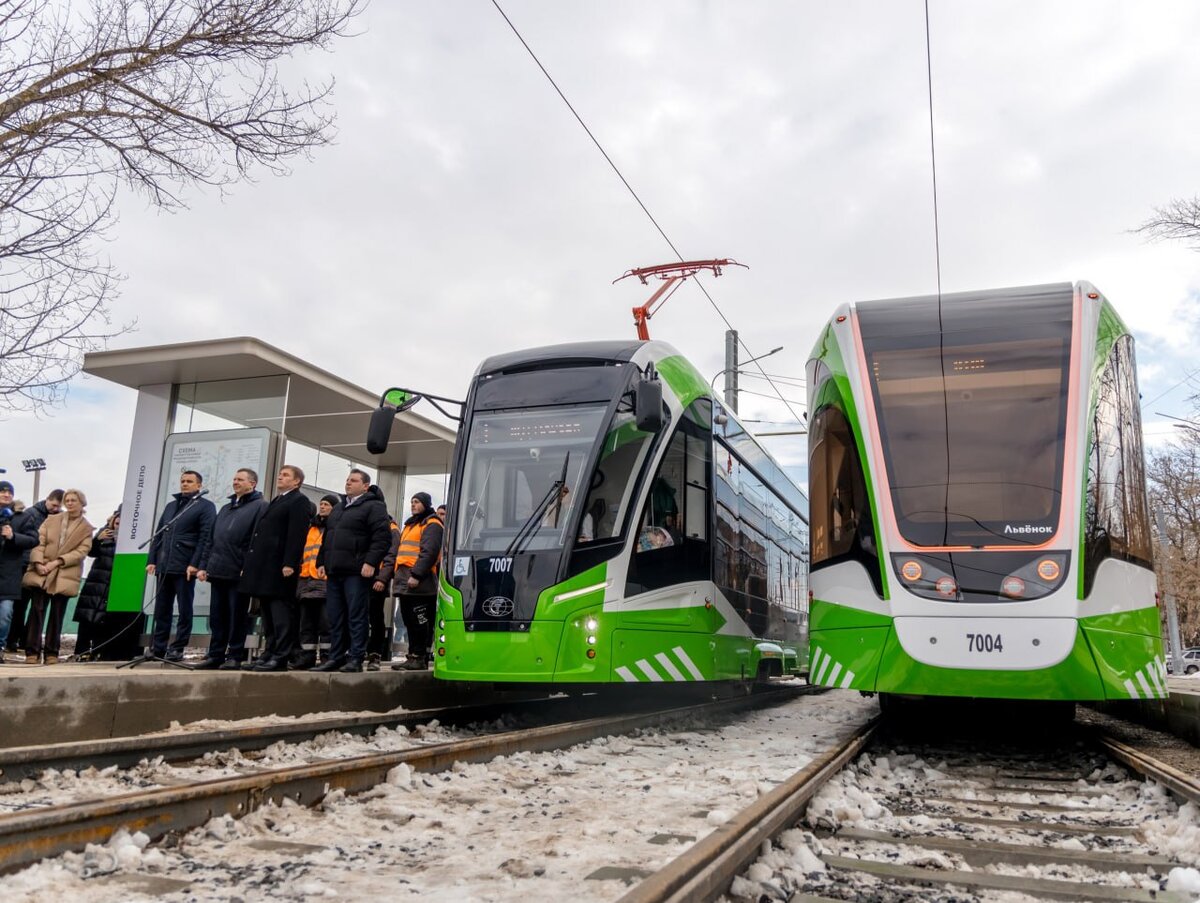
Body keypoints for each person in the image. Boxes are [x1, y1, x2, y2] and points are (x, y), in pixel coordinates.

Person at [238, 465, 314, 672]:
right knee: (268, 615)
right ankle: (269, 652)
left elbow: (297, 534)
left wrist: (290, 562)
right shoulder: (278, 500)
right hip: (265, 568)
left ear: (297, 481)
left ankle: (281, 656)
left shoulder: (299, 501)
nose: (280, 477)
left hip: (281, 568)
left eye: (286, 475)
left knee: (281, 615)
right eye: (279, 474)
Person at [315, 469, 391, 673]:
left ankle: (356, 658)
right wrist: (321, 562)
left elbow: (382, 538)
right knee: (335, 616)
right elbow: (327, 539)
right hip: (334, 571)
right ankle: (336, 657)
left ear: (365, 486)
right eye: (347, 479)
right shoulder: (339, 508)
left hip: (357, 572)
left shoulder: (374, 506)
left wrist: (371, 562)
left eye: (354, 480)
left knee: (356, 616)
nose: (348, 483)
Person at [195, 469, 267, 669]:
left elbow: (257, 539)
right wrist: (204, 566)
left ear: (252, 483)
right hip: (217, 570)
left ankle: (235, 655)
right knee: (217, 616)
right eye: (234, 478)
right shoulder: (226, 508)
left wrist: (248, 566)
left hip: (238, 571)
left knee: (237, 616)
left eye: (240, 479)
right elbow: (211, 540)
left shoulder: (260, 506)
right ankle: (215, 654)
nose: (235, 482)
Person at [144, 471, 217, 662]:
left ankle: (178, 648)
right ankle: (158, 647)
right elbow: (159, 534)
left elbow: (205, 537)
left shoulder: (205, 506)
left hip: (185, 567)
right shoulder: (171, 506)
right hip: (165, 565)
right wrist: (152, 560)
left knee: (185, 609)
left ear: (199, 485)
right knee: (162, 609)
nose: (184, 484)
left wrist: (195, 564)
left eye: (189, 481)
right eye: (183, 481)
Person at [24, 489, 94, 664]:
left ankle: (51, 653)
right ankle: (31, 651)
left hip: (65, 573)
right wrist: (38, 563)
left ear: (81, 503)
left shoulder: (86, 528)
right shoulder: (51, 520)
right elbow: (38, 542)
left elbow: (82, 551)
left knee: (57, 614)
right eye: (67, 500)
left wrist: (58, 562)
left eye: (73, 500)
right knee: (36, 611)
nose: (69, 503)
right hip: (42, 571)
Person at [6, 488, 63, 654]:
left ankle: (26, 639)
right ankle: (12, 639)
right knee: (20, 605)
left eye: (59, 506)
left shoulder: (58, 518)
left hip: (46, 567)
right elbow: (31, 540)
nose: (56, 509)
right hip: (25, 564)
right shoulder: (31, 514)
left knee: (36, 607)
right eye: (53, 505)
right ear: (47, 500)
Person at [392, 492, 443, 671]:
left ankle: (419, 657)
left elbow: (429, 552)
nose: (413, 505)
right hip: (405, 580)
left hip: (420, 582)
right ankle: (413, 656)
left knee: (419, 621)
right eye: (412, 502)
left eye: (417, 502)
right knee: (409, 621)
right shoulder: (410, 524)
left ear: (426, 504)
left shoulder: (432, 523)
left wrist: (417, 575)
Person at [291, 494, 339, 670]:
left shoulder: (335, 527)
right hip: (307, 582)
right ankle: (307, 656)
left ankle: (326, 657)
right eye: (322, 504)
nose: (323, 507)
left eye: (327, 504)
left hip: (325, 583)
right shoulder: (312, 528)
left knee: (326, 624)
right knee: (307, 624)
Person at [73, 506, 120, 660]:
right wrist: (98, 539)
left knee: (103, 620)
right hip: (96, 581)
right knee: (87, 617)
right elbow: (91, 552)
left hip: (113, 583)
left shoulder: (128, 540)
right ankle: (82, 651)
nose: (117, 526)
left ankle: (99, 651)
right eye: (116, 523)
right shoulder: (104, 533)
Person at [0, 480, 39, 662]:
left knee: (5, 613)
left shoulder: (22, 517)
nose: (6, 495)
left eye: (10, 492)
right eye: (3, 491)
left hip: (9, 574)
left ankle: (0, 646)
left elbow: (33, 540)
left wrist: (13, 536)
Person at [367, 517, 401, 671]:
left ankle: (375, 654)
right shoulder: (368, 525)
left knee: (375, 617)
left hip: (377, 579)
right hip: (361, 579)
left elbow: (391, 557)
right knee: (360, 617)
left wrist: (382, 578)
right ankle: (359, 652)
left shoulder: (392, 529)